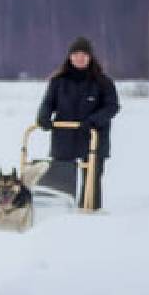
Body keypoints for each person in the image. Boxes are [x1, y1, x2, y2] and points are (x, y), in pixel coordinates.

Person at [35, 37, 120, 209]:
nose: (80, 58)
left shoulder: (103, 82)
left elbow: (112, 107)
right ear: (70, 57)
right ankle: (61, 212)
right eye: (76, 55)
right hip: (64, 138)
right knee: (62, 177)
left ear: (90, 57)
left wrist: (93, 120)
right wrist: (43, 117)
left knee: (91, 179)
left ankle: (90, 211)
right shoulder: (58, 81)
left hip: (93, 137)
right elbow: (48, 103)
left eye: (84, 55)